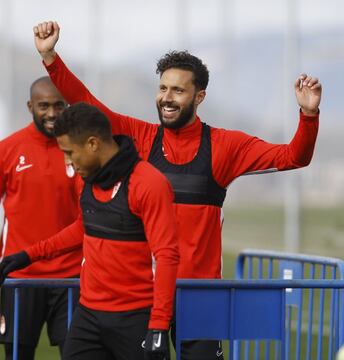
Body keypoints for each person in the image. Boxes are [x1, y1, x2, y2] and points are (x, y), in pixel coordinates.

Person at [33, 21, 321, 360]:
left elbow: (293, 157)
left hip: (201, 296)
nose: (167, 98)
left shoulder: (225, 145)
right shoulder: (140, 137)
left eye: (178, 91)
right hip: (146, 297)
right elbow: (87, 104)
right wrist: (50, 56)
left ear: (199, 97)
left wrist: (308, 113)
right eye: (163, 88)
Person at [0, 102, 179, 360]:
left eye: (70, 152)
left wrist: (159, 325)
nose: (68, 162)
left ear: (93, 144)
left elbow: (167, 255)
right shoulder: (89, 177)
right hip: (88, 316)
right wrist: (28, 255)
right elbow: (83, 228)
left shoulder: (149, 184)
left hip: (135, 318)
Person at [0, 76, 82, 360]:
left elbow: (90, 217)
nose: (51, 113)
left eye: (58, 106)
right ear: (30, 106)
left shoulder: (79, 151)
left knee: (78, 354)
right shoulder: (6, 150)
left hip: (71, 278)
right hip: (19, 278)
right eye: (43, 106)